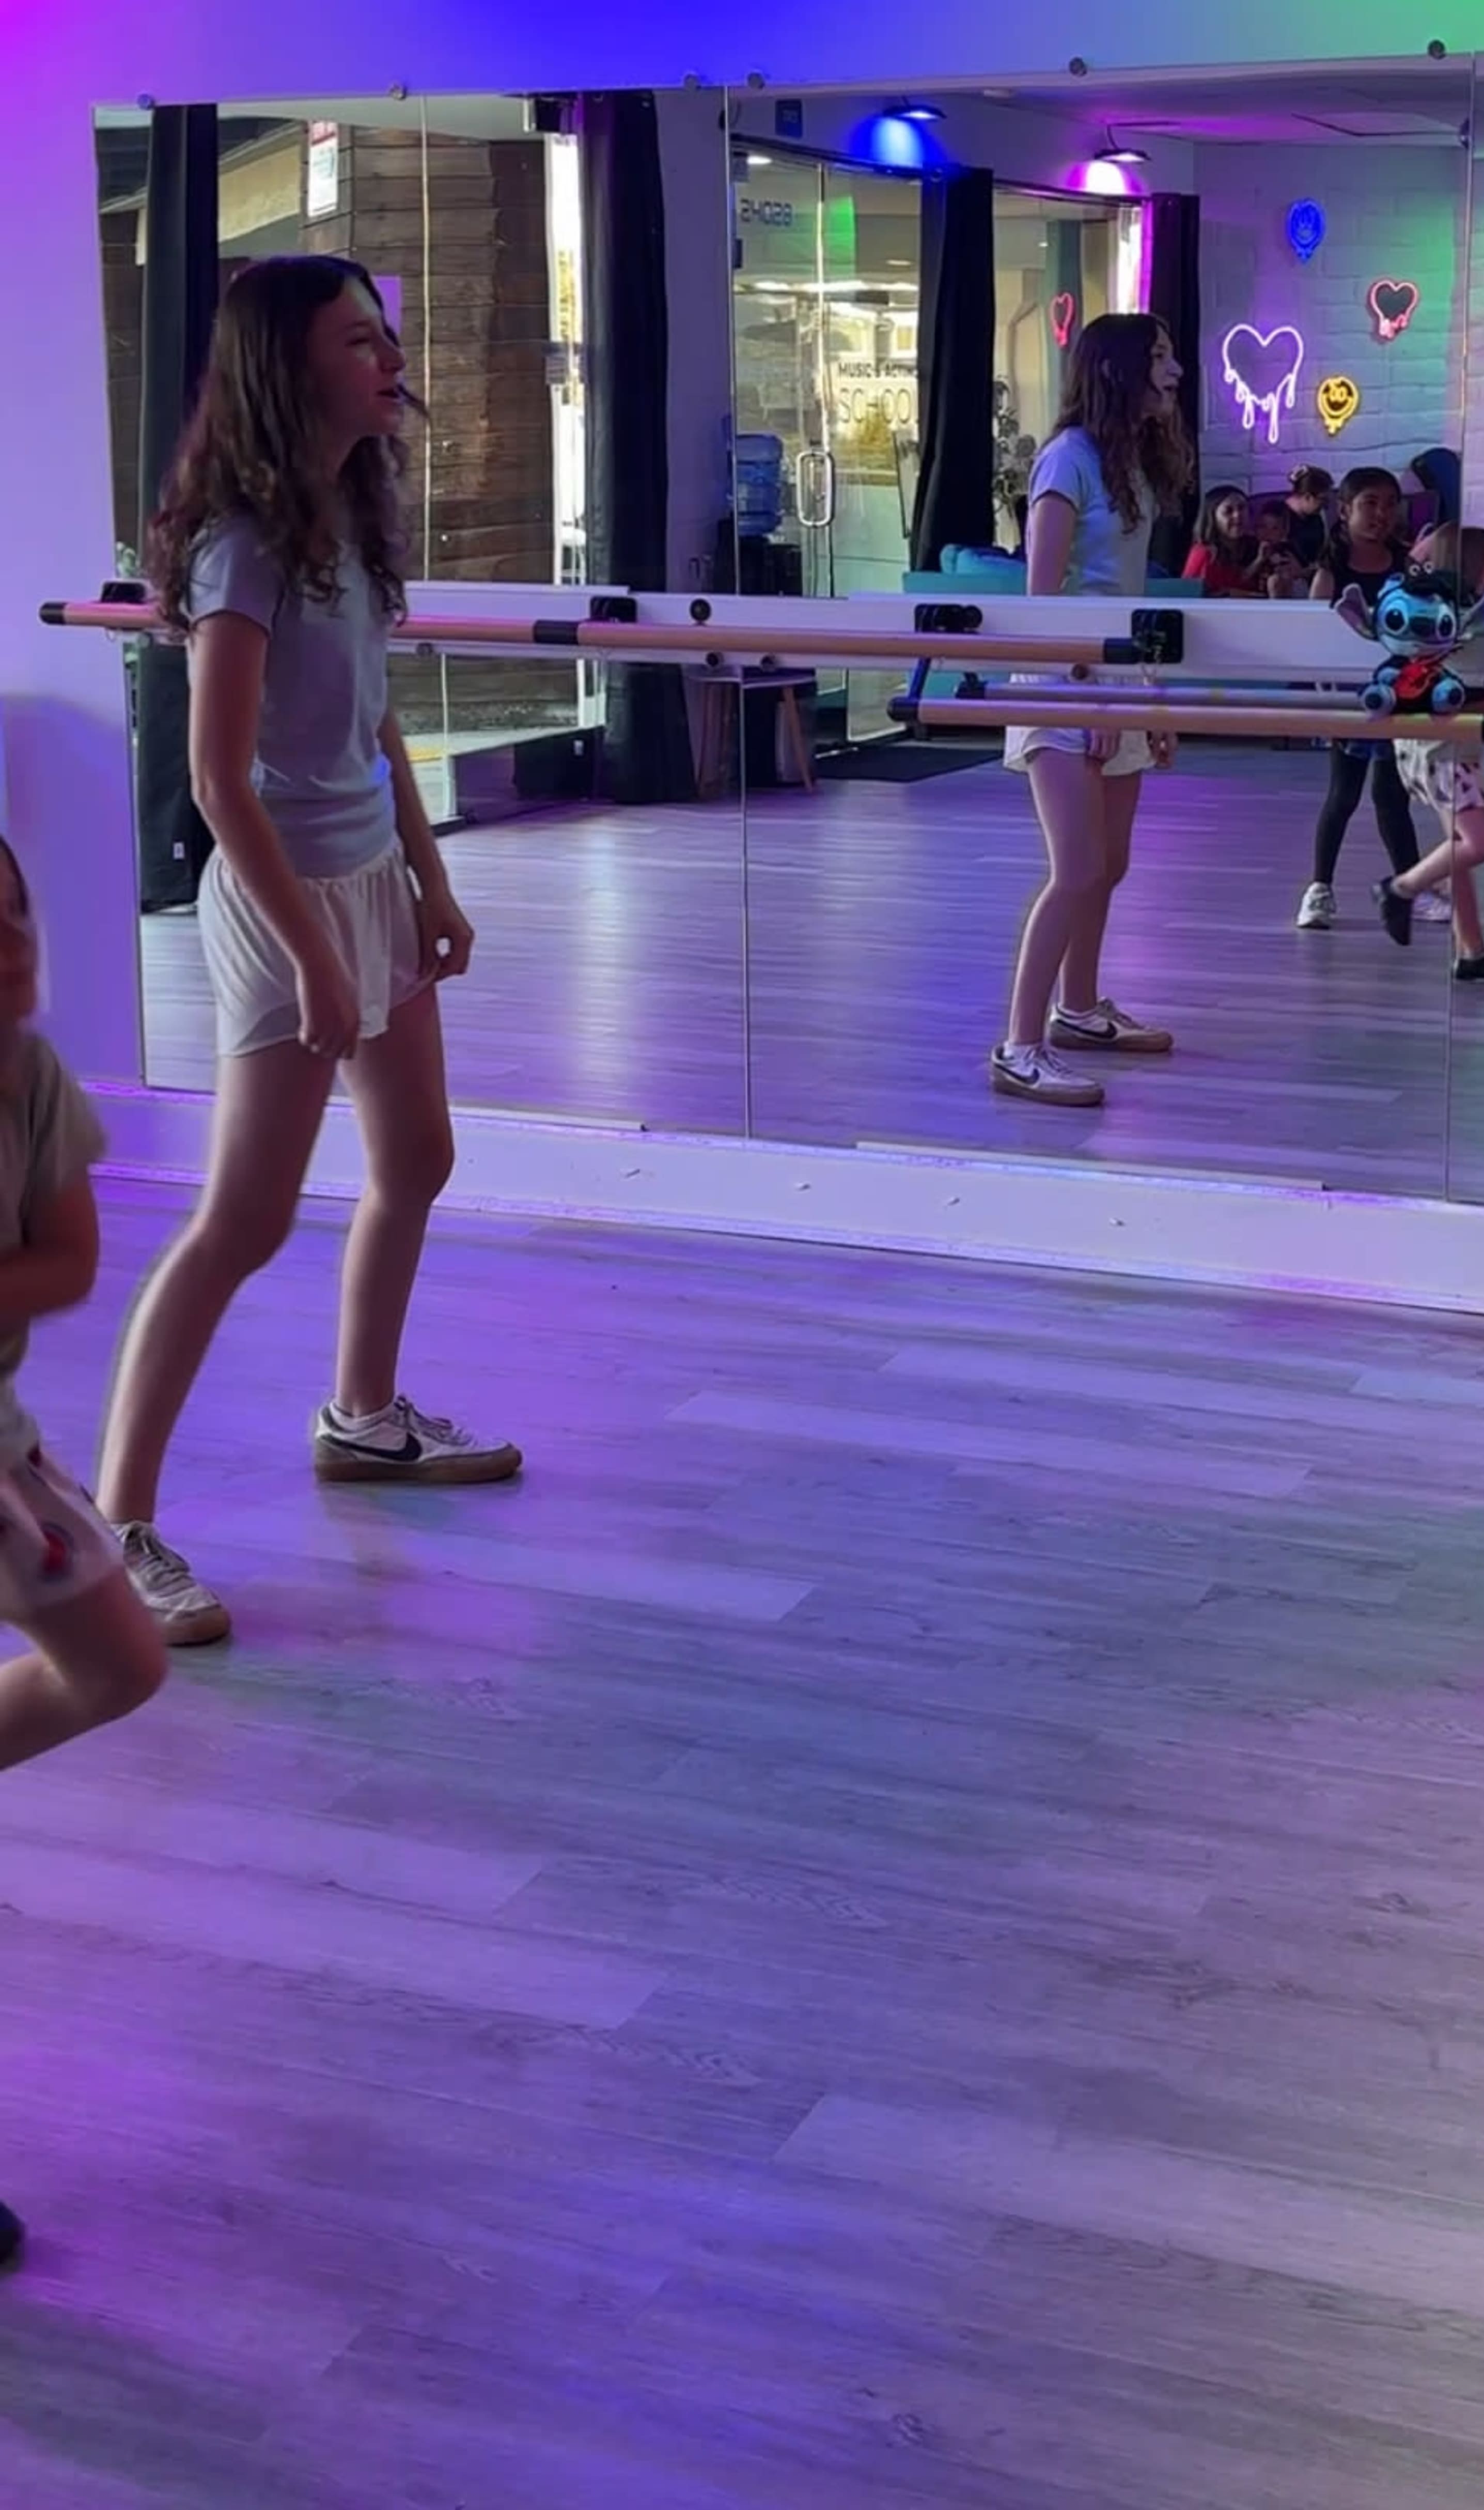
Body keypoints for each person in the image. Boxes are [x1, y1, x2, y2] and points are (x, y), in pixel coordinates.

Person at [100, 255, 521, 1646]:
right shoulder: (242, 545)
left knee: (418, 1157)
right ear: (290, 369)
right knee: (244, 1220)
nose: (389, 357)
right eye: (359, 340)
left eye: (385, 334)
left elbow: (376, 724)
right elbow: (218, 782)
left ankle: (363, 1414)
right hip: (281, 900)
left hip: (369, 884)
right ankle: (116, 1527)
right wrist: (317, 962)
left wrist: (429, 881)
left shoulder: (345, 512)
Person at [0, 833, 171, 2266]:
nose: (13, 947)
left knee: (120, 1662)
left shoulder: (31, 1078)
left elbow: (67, 1259)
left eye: (16, 915)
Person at [991, 313, 1192, 1108]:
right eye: (1161, 356)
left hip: (1118, 682)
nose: (1175, 371)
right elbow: (1042, 603)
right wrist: (1090, 693)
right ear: (1117, 370)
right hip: (1062, 685)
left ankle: (1078, 1010)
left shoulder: (1131, 463)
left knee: (1109, 866)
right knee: (1075, 869)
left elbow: (1127, 599)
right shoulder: (1066, 459)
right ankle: (1020, 1047)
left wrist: (1150, 695)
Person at [1371, 524, 1484, 989]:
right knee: (1480, 842)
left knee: (1460, 849)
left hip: (1443, 747)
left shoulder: (1468, 611)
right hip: (1442, 750)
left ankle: (1472, 952)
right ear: (1469, 564)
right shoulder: (1450, 616)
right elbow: (1449, 684)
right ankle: (1401, 888)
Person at [1296, 467, 1424, 932]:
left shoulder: (1407, 566)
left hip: (1398, 696)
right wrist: (1326, 700)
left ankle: (1411, 889)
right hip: (1350, 702)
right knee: (1343, 795)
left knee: (1392, 798)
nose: (1381, 514)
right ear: (1345, 510)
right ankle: (1319, 889)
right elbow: (1315, 641)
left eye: (1390, 504)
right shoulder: (1331, 572)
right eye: (1370, 503)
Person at [1183, 485, 1258, 597]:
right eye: (1228, 511)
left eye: (1242, 508)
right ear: (1213, 517)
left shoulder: (1256, 547)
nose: (1237, 515)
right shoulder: (1204, 553)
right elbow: (1187, 594)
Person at [1285, 465, 1333, 574]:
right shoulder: (1279, 519)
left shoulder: (1316, 517)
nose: (1326, 506)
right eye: (1323, 500)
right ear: (1308, 497)